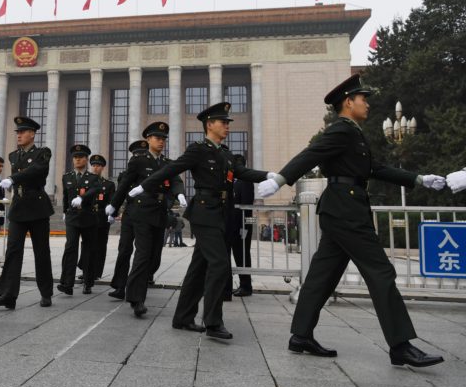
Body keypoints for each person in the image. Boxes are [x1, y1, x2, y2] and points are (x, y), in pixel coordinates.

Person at [258, 73, 446, 367]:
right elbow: (311, 153)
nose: (367, 105)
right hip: (346, 210)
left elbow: (374, 168)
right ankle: (400, 346)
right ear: (348, 102)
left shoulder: (354, 132)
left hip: (341, 209)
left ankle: (301, 335)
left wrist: (419, 179)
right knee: (381, 272)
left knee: (322, 276)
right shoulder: (342, 131)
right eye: (363, 99)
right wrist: (282, 179)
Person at [131, 103, 269, 339]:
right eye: (223, 122)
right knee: (220, 264)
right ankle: (213, 322)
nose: (227, 126)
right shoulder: (198, 150)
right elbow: (173, 168)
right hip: (205, 212)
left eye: (228, 123)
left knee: (200, 268)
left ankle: (183, 317)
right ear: (209, 125)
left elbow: (242, 172)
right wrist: (144, 185)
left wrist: (270, 176)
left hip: (220, 212)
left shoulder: (225, 153)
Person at [107, 123, 185, 317]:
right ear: (148, 139)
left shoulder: (167, 162)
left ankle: (139, 285)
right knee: (142, 254)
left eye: (163, 139)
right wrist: (114, 206)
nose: (161, 142)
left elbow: (175, 180)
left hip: (159, 212)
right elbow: (124, 184)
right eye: (157, 138)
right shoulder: (139, 161)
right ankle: (136, 298)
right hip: (140, 211)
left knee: (153, 256)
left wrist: (180, 194)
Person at [0, 116, 54, 309]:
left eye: (22, 132)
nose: (18, 135)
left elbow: (36, 170)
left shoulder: (43, 153)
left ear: (32, 134)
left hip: (37, 207)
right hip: (18, 207)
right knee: (13, 251)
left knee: (41, 251)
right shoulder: (13, 156)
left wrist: (12, 178)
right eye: (17, 132)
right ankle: (8, 295)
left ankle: (46, 293)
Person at [107, 141, 148, 300]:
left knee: (144, 252)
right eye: (136, 155)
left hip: (146, 214)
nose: (139, 157)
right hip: (130, 214)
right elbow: (121, 191)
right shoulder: (125, 174)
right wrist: (113, 210)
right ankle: (119, 286)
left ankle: (140, 281)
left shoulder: (151, 171)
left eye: (142, 154)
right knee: (124, 249)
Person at [58, 144, 101, 295]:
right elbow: (65, 196)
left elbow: (95, 190)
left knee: (88, 250)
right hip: (72, 217)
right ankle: (66, 283)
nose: (77, 160)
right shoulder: (67, 177)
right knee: (70, 247)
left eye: (80, 157)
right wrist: (64, 211)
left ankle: (88, 283)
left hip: (88, 217)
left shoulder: (93, 177)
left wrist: (82, 198)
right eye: (75, 157)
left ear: (86, 159)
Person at [78, 154, 115, 281]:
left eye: (98, 166)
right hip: (87, 216)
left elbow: (111, 201)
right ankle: (85, 269)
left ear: (102, 168)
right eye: (93, 165)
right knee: (86, 244)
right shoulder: (85, 182)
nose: (95, 168)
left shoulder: (109, 185)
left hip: (102, 218)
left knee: (100, 245)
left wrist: (111, 213)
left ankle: (96, 272)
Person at [227, 154, 254, 297]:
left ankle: (246, 286)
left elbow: (247, 205)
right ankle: (242, 284)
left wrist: (243, 227)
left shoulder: (245, 180)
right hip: (233, 225)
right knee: (238, 255)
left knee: (243, 255)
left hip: (242, 226)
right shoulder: (235, 180)